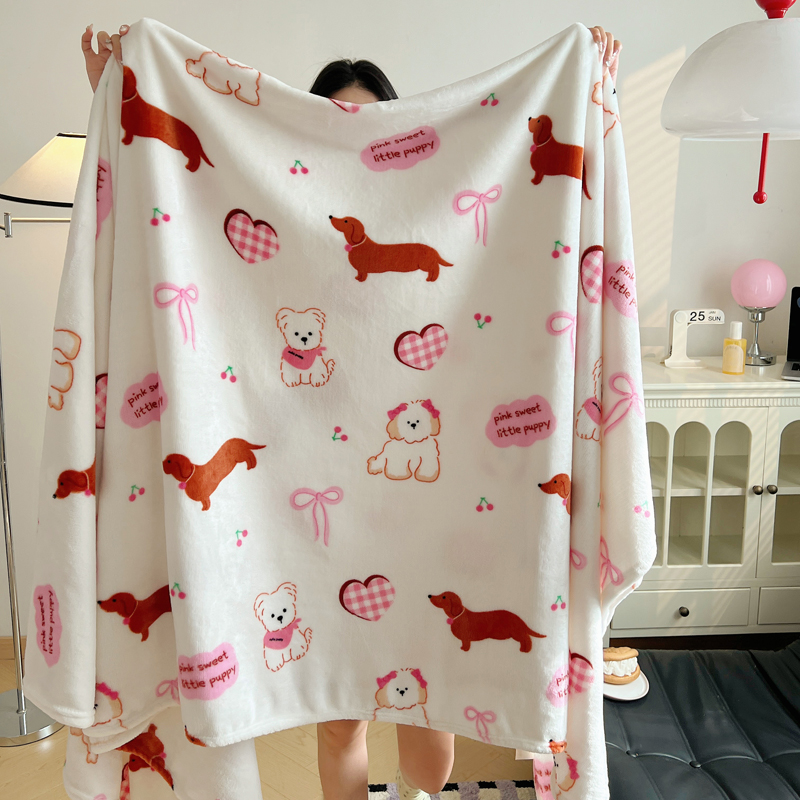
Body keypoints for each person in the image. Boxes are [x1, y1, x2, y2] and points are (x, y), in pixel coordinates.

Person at [79, 21, 620, 800]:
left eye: (367, 125)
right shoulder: (284, 222)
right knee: (340, 719)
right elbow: (171, 192)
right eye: (334, 125)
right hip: (311, 491)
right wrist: (113, 91)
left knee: (427, 712)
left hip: (424, 504)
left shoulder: (434, 219)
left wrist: (589, 86)